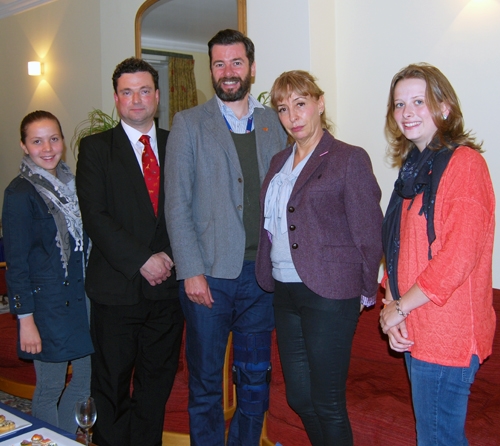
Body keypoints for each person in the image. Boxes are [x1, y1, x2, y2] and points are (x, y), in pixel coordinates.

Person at [164, 29, 287, 446]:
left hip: (261, 280)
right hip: (209, 280)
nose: (228, 71)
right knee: (205, 384)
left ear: (252, 68)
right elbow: (176, 204)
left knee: (255, 382)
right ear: (209, 70)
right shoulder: (188, 124)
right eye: (219, 63)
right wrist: (191, 272)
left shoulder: (275, 122)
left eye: (236, 62)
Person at [255, 70, 383, 446]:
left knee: (327, 400)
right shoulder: (279, 160)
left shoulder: (347, 158)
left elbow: (368, 231)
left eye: (300, 104)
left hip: (330, 292)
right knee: (298, 396)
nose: (293, 116)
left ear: (319, 103)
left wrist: (363, 290)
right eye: (283, 108)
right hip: (284, 289)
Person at [379, 63, 496, 445]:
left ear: (444, 108)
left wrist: (401, 308)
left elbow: (457, 257)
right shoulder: (412, 171)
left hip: (448, 335)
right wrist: (391, 303)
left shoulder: (464, 165)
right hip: (418, 328)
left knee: (437, 439)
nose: (407, 112)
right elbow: (399, 251)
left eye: (418, 101)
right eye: (399, 104)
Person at [76, 58, 184, 446]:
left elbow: (192, 210)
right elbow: (96, 216)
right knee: (112, 387)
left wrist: (167, 256)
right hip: (116, 291)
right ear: (117, 98)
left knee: (156, 387)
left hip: (168, 292)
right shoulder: (95, 148)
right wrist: (142, 259)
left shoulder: (178, 144)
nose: (136, 100)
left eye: (144, 91)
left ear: (157, 95)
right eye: (127, 92)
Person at [3, 111, 93, 433]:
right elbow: (17, 264)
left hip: (81, 300)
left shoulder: (74, 186)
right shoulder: (19, 193)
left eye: (53, 138)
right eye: (37, 141)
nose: (47, 147)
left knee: (85, 382)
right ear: (24, 146)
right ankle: (45, 440)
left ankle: (64, 439)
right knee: (50, 388)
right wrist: (25, 321)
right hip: (46, 309)